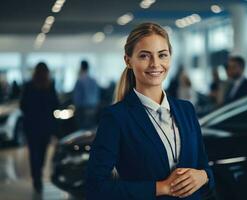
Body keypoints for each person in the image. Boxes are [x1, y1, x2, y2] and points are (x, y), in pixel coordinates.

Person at [86, 22, 214, 200]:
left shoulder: (186, 110)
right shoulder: (116, 117)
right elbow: (95, 188)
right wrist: (159, 188)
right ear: (128, 61)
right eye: (144, 56)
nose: (155, 64)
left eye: (162, 55)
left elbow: (204, 166)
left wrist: (204, 176)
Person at [20, 62, 59, 194]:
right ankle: (39, 174)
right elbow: (56, 104)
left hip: (31, 126)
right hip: (45, 126)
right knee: (42, 152)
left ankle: (36, 177)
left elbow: (22, 105)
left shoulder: (29, 85)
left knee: (33, 153)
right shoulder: (50, 86)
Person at [73, 60, 100, 129]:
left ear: (81, 67)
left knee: (82, 131)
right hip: (93, 109)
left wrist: (76, 109)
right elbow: (97, 95)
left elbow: (77, 98)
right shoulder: (93, 80)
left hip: (83, 109)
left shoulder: (80, 80)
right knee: (91, 131)